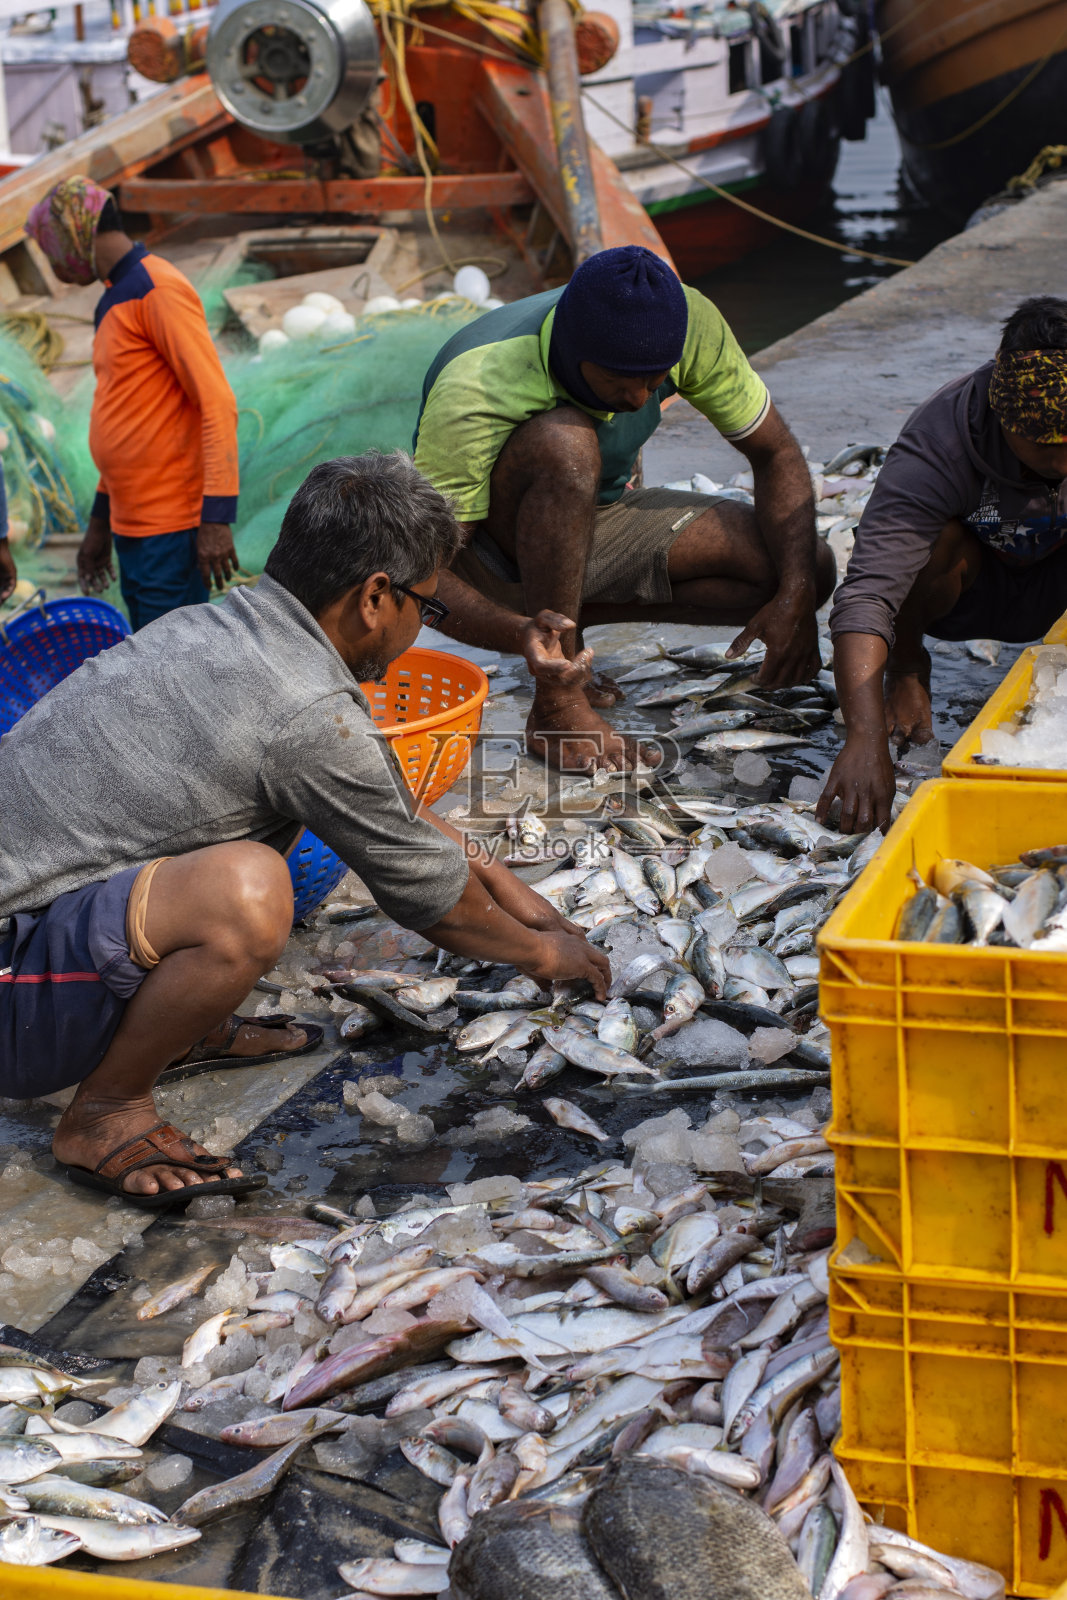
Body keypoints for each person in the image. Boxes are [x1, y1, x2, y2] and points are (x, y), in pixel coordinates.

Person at [0, 451, 608, 1208]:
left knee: (250, 847)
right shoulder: (302, 708)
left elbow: (391, 813)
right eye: (430, 606)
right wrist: (542, 957)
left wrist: (526, 901)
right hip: (12, 981)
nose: (425, 625)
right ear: (375, 598)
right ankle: (104, 1113)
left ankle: (176, 1024)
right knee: (247, 891)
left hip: (43, 927)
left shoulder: (220, 628)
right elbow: (434, 902)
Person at [413, 244, 835, 774]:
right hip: (493, 559)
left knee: (808, 566)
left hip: (592, 518)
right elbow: (422, 573)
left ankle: (569, 636)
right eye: (621, 383)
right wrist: (517, 636)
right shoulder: (479, 379)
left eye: (655, 383)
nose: (640, 400)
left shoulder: (689, 322)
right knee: (566, 445)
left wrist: (795, 601)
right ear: (573, 353)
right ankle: (556, 696)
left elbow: (775, 453)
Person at [818, 295, 1067, 835]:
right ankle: (909, 671)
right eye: (1042, 446)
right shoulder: (941, 440)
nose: (1061, 463)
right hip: (969, 590)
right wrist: (863, 735)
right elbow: (867, 596)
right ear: (1003, 416)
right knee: (928, 543)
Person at [25, 177, 240, 630]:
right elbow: (128, 417)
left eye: (50, 253)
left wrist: (216, 518)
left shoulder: (155, 289)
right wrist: (100, 523)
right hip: (133, 528)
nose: (55, 269)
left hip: (172, 528)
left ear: (73, 237)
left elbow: (216, 400)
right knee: (149, 656)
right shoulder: (113, 299)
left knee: (172, 669)